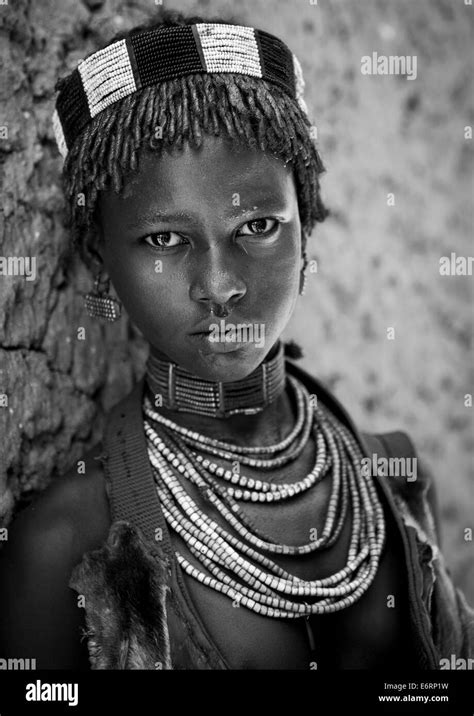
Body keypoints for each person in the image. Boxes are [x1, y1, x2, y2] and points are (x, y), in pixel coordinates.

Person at [0, 8, 472, 671]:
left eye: (257, 225)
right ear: (100, 258)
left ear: (306, 223)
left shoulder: (396, 485)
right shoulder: (64, 545)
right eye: (164, 239)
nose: (219, 286)